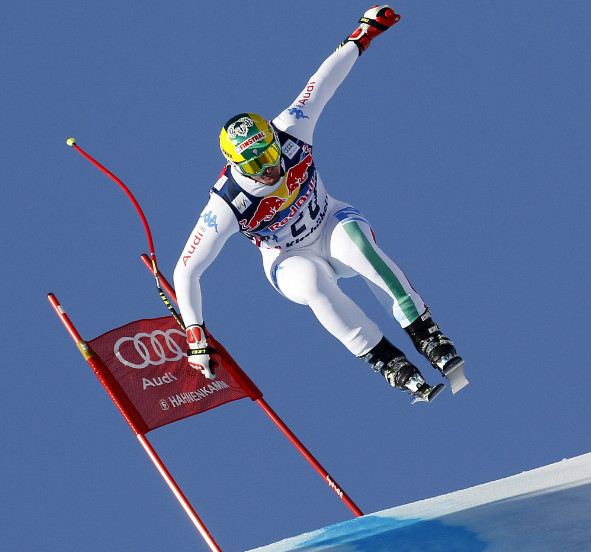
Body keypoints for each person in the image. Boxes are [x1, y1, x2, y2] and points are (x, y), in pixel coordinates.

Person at [172, 5, 462, 403]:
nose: (269, 168)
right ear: (235, 165)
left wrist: (365, 33)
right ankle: (385, 359)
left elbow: (322, 81)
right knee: (312, 284)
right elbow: (186, 271)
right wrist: (196, 336)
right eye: (255, 164)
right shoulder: (227, 203)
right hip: (288, 258)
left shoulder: (291, 129)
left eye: (270, 154)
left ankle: (425, 332)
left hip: (328, 223)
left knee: (360, 245)